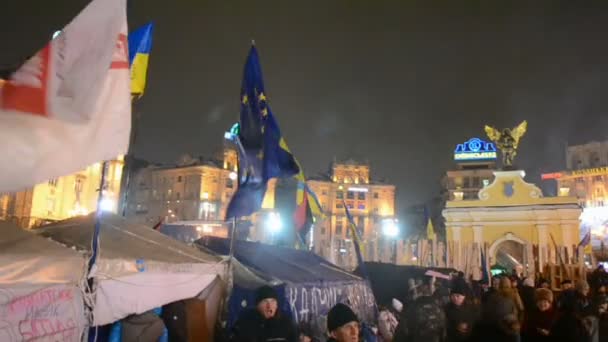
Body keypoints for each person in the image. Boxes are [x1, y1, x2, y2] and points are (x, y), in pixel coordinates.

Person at [229, 285, 297, 342]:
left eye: (273, 301)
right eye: (265, 301)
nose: (269, 306)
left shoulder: (286, 323)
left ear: (277, 305)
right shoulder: (245, 322)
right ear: (257, 305)